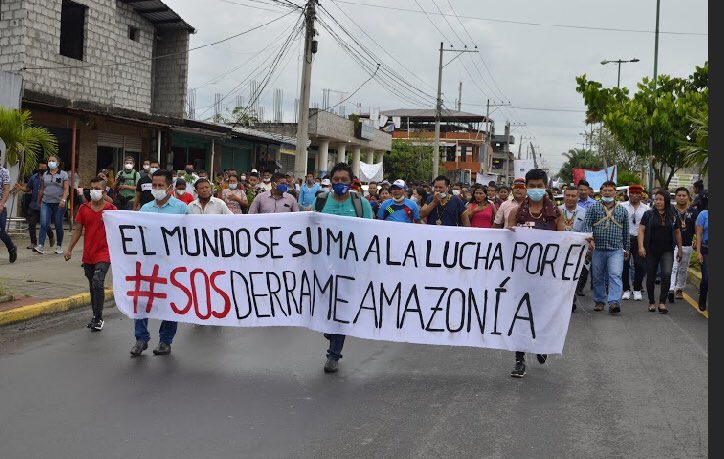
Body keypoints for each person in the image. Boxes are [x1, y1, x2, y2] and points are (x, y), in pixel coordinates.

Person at [313, 163, 374, 373]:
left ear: (351, 182)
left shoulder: (360, 203)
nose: (340, 184)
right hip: (323, 263)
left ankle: (333, 355)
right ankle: (329, 330)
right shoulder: (321, 201)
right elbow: (311, 228)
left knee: (341, 308)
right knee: (325, 306)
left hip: (350, 264)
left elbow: (370, 232)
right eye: (336, 180)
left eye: (344, 180)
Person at [506, 168, 565, 378]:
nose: (536, 190)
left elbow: (563, 242)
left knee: (541, 314)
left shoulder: (556, 215)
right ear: (526, 188)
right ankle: (519, 359)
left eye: (540, 186)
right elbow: (505, 242)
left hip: (546, 276)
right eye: (532, 186)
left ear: (546, 187)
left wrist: (582, 243)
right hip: (520, 276)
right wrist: (510, 234)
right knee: (520, 316)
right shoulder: (515, 213)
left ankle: (541, 345)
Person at [131, 169, 189, 357]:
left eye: (160, 186)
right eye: (154, 185)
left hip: (172, 264)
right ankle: (141, 339)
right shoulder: (146, 209)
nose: (156, 189)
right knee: (141, 301)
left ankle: (165, 341)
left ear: (169, 187)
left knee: (169, 302)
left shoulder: (181, 209)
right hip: (147, 263)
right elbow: (136, 233)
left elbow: (191, 235)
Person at [63, 176, 117, 331]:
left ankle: (99, 318)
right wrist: (69, 249)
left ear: (104, 190)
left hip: (104, 253)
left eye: (97, 188)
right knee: (92, 286)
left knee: (97, 282)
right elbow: (78, 230)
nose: (94, 191)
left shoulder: (111, 210)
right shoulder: (84, 209)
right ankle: (95, 315)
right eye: (92, 188)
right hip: (88, 254)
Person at [582, 180, 630, 314]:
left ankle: (614, 302)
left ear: (615, 192)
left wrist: (627, 249)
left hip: (616, 250)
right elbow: (586, 225)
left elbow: (626, 231)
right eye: (605, 190)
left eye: (610, 190)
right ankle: (599, 301)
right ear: (601, 192)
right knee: (597, 276)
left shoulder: (622, 210)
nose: (607, 192)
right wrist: (589, 240)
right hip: (597, 249)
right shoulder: (593, 208)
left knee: (615, 275)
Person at [638, 190, 682, 314]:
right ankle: (652, 302)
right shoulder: (648, 214)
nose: (658, 202)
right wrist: (641, 247)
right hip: (651, 250)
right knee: (651, 275)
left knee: (667, 274)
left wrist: (680, 249)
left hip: (667, 250)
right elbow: (641, 230)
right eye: (656, 199)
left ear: (666, 201)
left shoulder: (673, 215)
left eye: (661, 199)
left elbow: (678, 232)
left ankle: (662, 303)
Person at [620, 184, 650, 301]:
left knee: (640, 265)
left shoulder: (647, 209)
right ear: (629, 194)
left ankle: (637, 289)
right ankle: (626, 290)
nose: (635, 195)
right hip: (624, 238)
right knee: (624, 265)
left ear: (641, 195)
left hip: (639, 239)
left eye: (638, 193)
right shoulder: (621, 206)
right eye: (632, 193)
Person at [15, 161, 55, 250]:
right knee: (31, 224)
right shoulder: (33, 178)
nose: (43, 169)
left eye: (44, 168)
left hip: (45, 205)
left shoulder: (51, 178)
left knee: (44, 224)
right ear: (38, 168)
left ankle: (51, 236)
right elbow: (28, 188)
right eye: (41, 168)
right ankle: (33, 243)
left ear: (47, 168)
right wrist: (21, 188)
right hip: (33, 205)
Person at [559, 185, 587, 310]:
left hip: (576, 250)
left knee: (573, 275)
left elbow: (587, 231)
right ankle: (562, 301)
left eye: (573, 196)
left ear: (577, 197)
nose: (570, 198)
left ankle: (571, 300)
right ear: (564, 196)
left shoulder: (584, 212)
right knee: (560, 276)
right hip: (559, 250)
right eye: (568, 195)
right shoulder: (556, 210)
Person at [34, 155, 69, 255]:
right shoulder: (45, 174)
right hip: (46, 202)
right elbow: (42, 189)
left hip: (59, 204)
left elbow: (66, 189)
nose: (50, 162)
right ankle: (40, 245)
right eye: (49, 161)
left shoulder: (63, 174)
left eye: (53, 161)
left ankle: (59, 245)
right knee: (44, 223)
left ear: (58, 163)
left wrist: (63, 199)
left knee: (58, 224)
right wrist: (39, 201)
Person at [669, 187, 697, 302]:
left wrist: (696, 240)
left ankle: (679, 289)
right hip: (673, 244)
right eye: (679, 195)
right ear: (675, 197)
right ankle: (671, 289)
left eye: (684, 195)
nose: (681, 197)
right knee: (673, 267)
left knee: (683, 268)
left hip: (688, 243)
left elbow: (697, 228)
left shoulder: (693, 211)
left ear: (688, 197)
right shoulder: (670, 210)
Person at [0, 164, 18, 263]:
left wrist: (2, 204)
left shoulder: (4, 172)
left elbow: (6, 189)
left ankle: (11, 248)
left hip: (0, 205)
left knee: (1, 232)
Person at [695, 209, 708, 311]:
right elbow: (699, 234)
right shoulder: (704, 214)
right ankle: (702, 298)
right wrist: (698, 252)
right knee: (706, 278)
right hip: (706, 249)